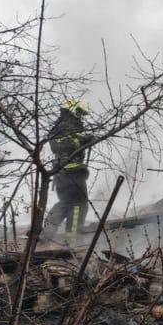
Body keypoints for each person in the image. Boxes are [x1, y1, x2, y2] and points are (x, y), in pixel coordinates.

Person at [44, 99, 95, 236]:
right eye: (79, 112)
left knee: (66, 202)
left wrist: (84, 139)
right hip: (72, 174)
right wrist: (84, 141)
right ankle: (72, 239)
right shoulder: (65, 126)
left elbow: (70, 140)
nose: (81, 116)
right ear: (72, 110)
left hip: (64, 174)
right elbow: (64, 145)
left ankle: (47, 231)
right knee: (79, 205)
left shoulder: (62, 125)